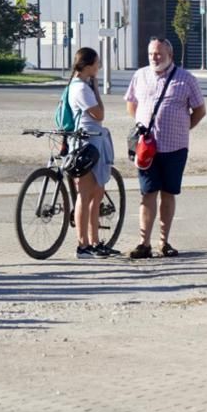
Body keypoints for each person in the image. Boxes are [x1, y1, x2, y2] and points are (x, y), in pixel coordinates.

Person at [124, 37, 207, 258]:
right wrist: (146, 126)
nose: (154, 57)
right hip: (146, 148)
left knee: (168, 193)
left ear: (170, 55)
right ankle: (144, 243)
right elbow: (131, 105)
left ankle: (164, 242)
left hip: (175, 147)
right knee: (147, 192)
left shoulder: (186, 78)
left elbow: (200, 110)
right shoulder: (140, 75)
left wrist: (182, 127)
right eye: (151, 53)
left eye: (159, 53)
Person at [68, 47, 119, 259]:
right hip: (87, 144)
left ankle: (95, 241)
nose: (98, 66)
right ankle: (83, 245)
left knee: (96, 194)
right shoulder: (81, 88)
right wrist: (97, 88)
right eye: (97, 63)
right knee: (86, 194)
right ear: (88, 65)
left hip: (94, 142)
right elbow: (99, 113)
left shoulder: (80, 85)